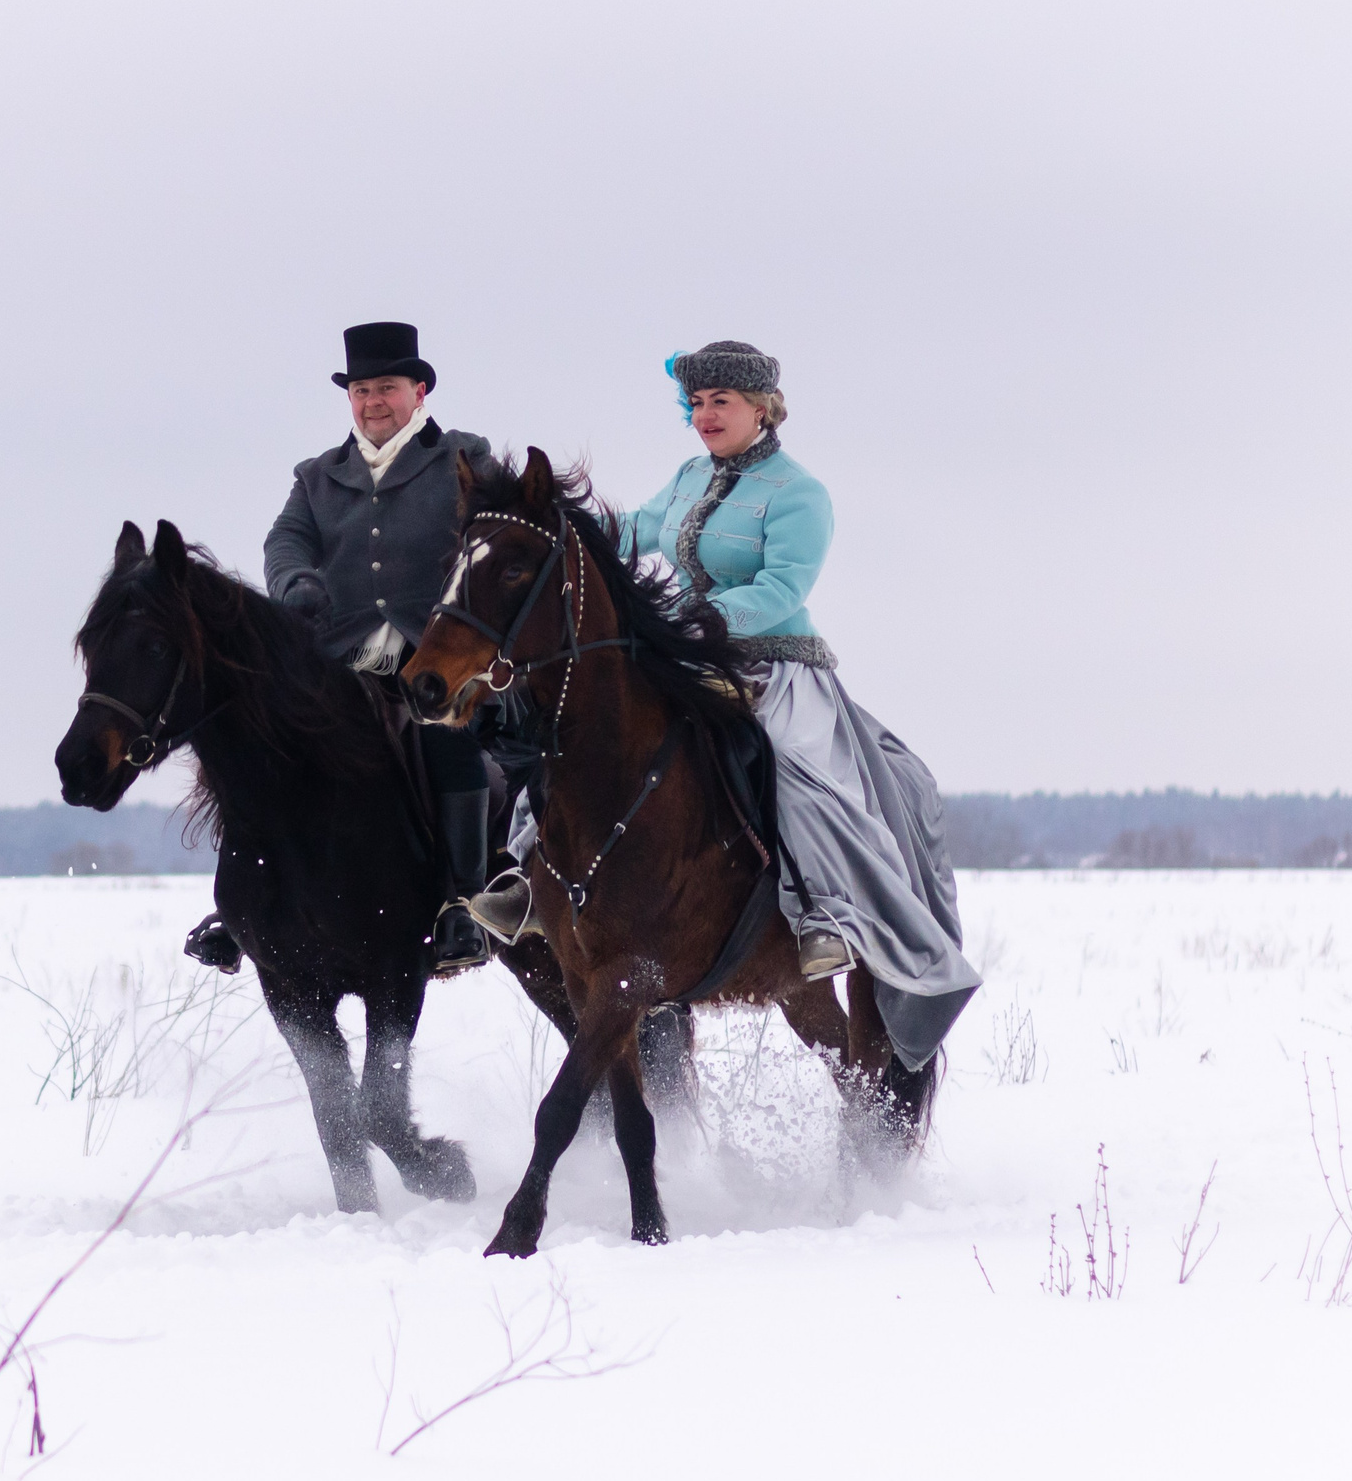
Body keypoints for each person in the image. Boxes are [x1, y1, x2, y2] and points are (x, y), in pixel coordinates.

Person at [467, 340, 979, 1068]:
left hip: (773, 666)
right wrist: (554, 529)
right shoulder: (686, 478)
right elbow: (630, 529)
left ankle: (825, 916)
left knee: (798, 768)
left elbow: (781, 593)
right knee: (582, 734)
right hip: (684, 655)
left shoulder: (800, 493)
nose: (705, 415)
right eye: (697, 403)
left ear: (762, 409)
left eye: (721, 403)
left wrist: (698, 622)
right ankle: (527, 873)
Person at [182, 321, 501, 976]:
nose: (372, 402)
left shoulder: (463, 460)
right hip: (339, 670)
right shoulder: (318, 477)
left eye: (385, 387)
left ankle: (462, 902)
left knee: (447, 741)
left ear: (418, 390)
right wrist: (296, 581)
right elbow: (285, 542)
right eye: (360, 390)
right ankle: (240, 907)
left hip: (430, 667)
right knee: (260, 748)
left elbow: (498, 541)